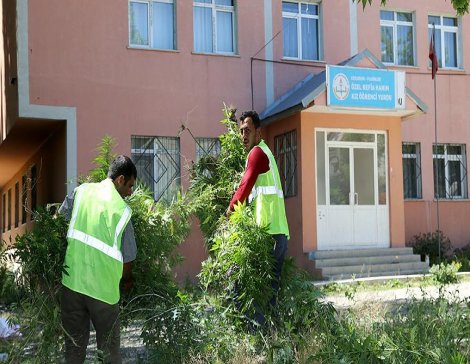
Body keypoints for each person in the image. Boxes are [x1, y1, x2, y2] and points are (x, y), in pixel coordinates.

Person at [58, 155, 137, 364]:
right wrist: (127, 281)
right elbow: (128, 258)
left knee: (73, 351)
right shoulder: (122, 212)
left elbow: (59, 220)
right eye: (130, 186)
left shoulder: (81, 192)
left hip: (72, 285)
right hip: (103, 294)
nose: (130, 192)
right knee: (109, 353)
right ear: (120, 180)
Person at [227, 110, 290, 324]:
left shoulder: (257, 154)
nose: (244, 135)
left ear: (258, 132)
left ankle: (255, 334)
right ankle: (272, 339)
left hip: (267, 235)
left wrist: (230, 210)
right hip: (278, 234)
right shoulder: (265, 153)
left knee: (243, 284)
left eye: (248, 131)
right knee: (269, 293)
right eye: (241, 131)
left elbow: (245, 186)